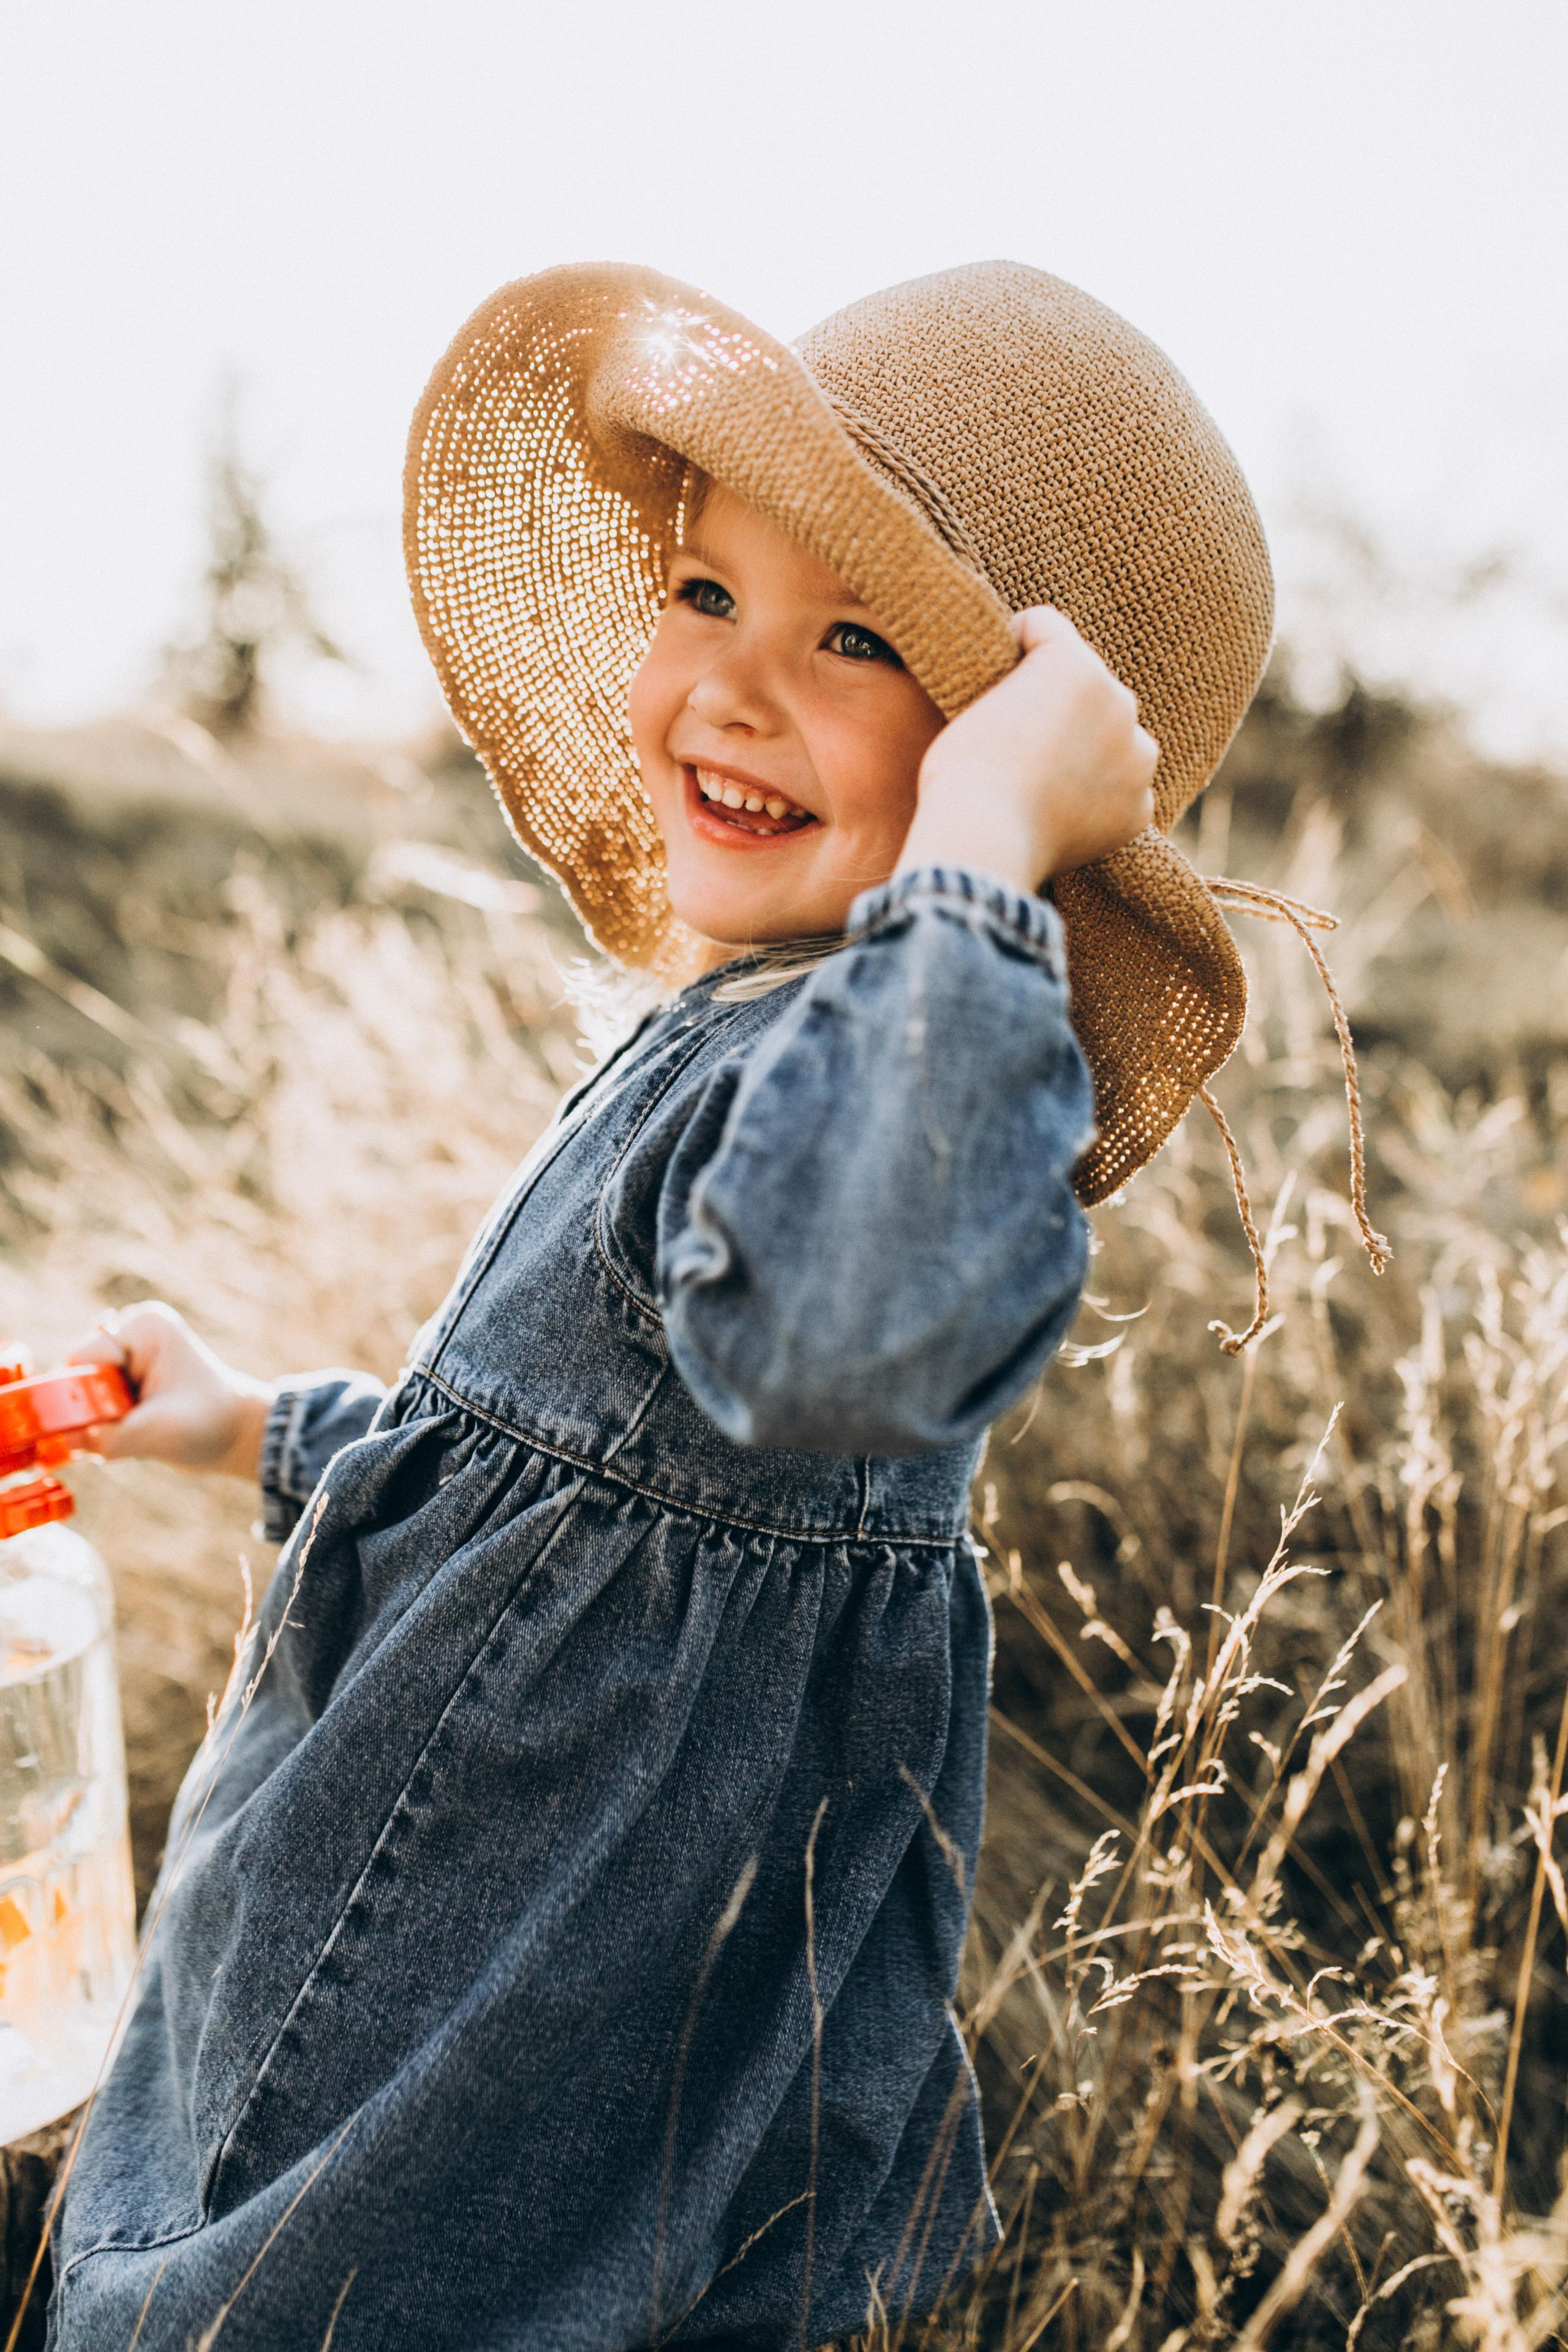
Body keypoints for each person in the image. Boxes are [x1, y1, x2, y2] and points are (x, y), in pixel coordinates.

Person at [48, 262, 1275, 2350]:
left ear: (1028, 768)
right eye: (707, 593)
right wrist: (262, 1421)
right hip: (404, 1956)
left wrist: (976, 857)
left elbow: (832, 1339)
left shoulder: (896, 1086)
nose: (729, 687)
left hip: (464, 2085)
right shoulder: (754, 1036)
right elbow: (561, 1482)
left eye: (862, 641)